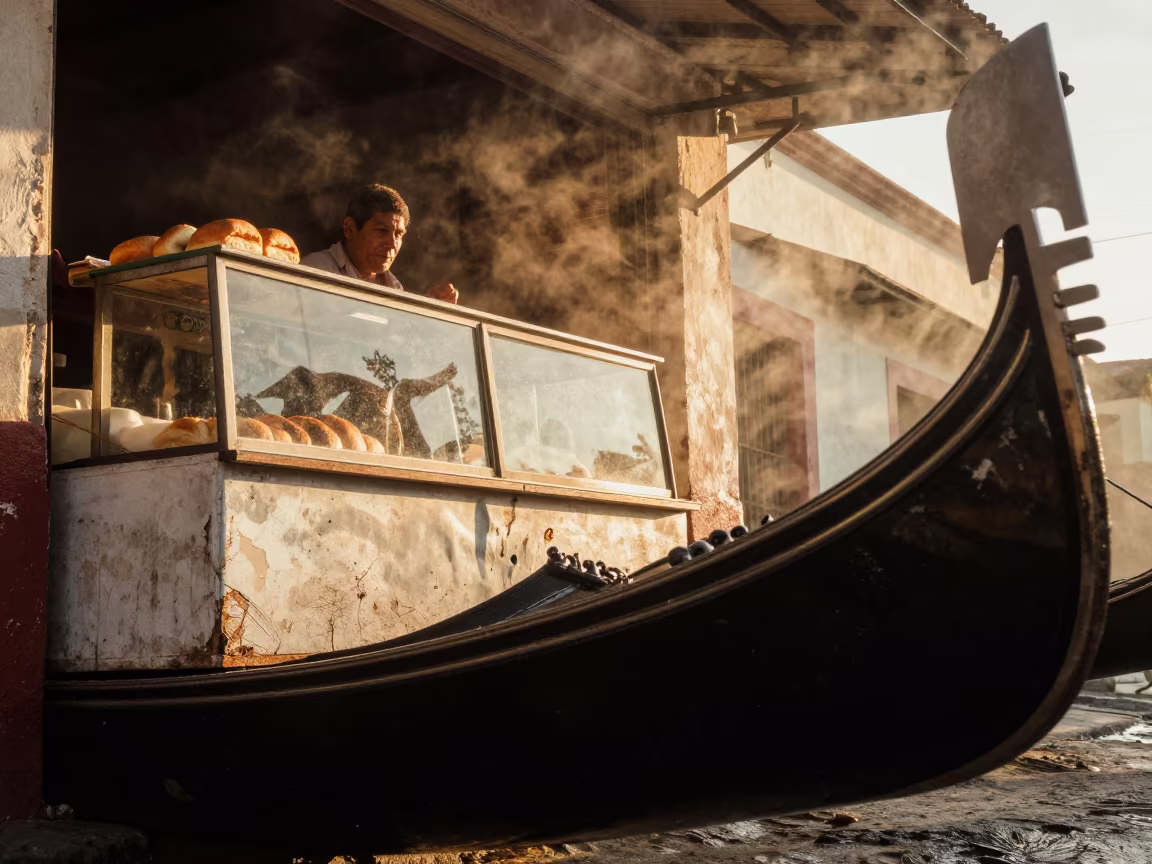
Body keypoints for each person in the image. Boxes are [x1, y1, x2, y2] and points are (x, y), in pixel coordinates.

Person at [301, 183, 459, 304]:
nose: (392, 244)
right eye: (382, 230)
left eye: (398, 234)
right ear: (350, 229)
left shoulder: (395, 288)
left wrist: (430, 309)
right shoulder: (314, 270)